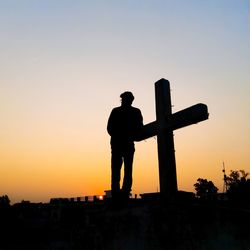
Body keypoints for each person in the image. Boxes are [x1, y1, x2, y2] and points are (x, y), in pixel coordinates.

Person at [107, 91, 143, 203]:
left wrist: (129, 136)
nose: (126, 101)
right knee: (117, 170)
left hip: (126, 144)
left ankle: (123, 194)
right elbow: (109, 128)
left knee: (126, 170)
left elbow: (139, 128)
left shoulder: (135, 112)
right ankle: (117, 195)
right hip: (118, 145)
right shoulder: (116, 111)